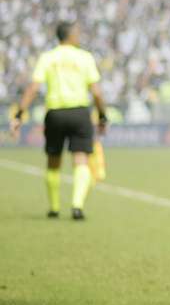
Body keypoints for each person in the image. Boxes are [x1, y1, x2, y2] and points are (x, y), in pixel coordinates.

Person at [9, 21, 108, 220]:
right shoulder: (84, 57)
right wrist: (103, 115)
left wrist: (19, 114)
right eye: (77, 33)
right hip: (79, 112)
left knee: (53, 161)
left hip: (55, 114)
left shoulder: (48, 57)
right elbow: (96, 92)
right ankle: (77, 206)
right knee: (81, 160)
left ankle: (54, 207)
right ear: (70, 35)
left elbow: (33, 88)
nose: (79, 36)